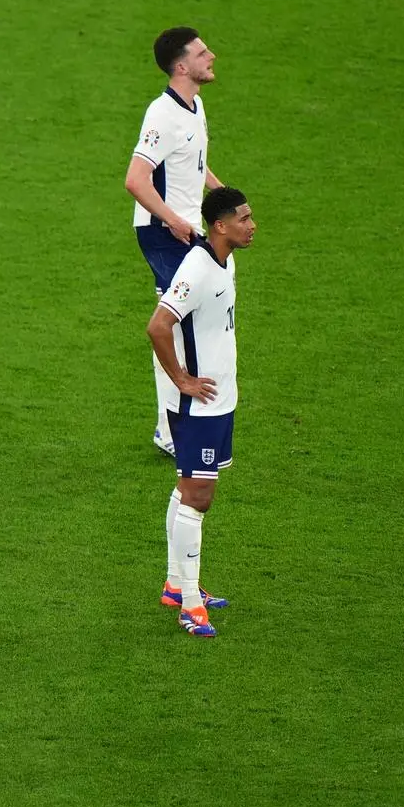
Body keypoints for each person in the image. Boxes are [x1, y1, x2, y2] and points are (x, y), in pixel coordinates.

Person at [145, 187, 256, 637]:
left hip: (217, 400)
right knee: (199, 498)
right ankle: (190, 604)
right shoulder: (197, 268)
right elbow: (158, 326)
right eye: (243, 219)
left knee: (188, 490)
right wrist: (182, 381)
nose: (251, 225)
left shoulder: (224, 260)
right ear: (220, 225)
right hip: (198, 405)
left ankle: (177, 583)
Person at [125, 27, 224, 455]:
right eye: (203, 53)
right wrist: (175, 222)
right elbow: (135, 180)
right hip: (164, 233)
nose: (212, 56)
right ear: (181, 66)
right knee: (174, 323)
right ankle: (169, 429)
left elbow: (194, 165)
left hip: (185, 228)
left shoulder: (195, 106)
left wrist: (223, 200)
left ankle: (172, 421)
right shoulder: (162, 115)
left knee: (186, 321)